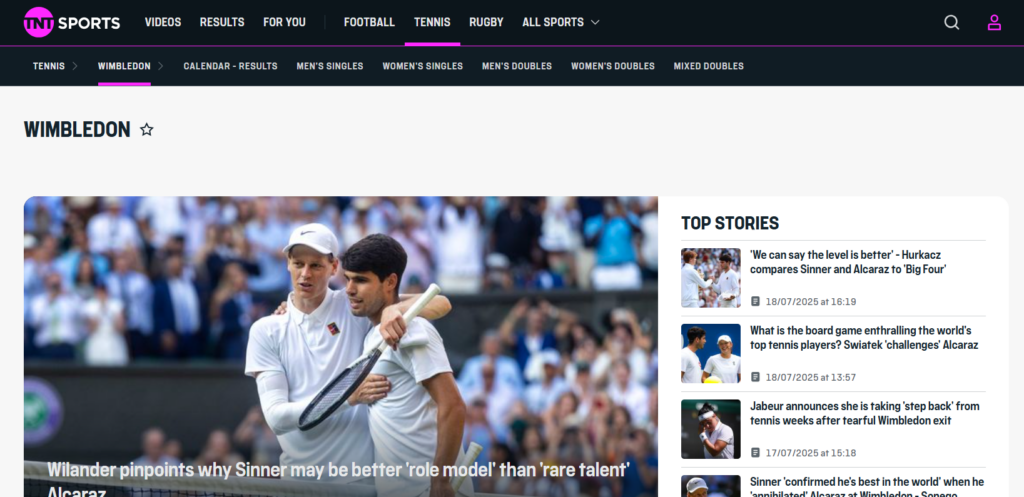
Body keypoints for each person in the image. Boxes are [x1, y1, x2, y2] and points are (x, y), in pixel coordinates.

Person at [244, 224, 452, 485]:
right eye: (298, 263)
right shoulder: (266, 330)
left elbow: (440, 303)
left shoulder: (356, 303)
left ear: (334, 267)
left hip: (361, 482)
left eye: (316, 265)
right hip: (297, 482)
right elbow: (276, 418)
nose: (305, 274)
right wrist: (349, 396)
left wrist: (393, 310)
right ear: (287, 263)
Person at [341, 233, 473, 497]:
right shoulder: (376, 331)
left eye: (361, 280)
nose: (349, 289)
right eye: (347, 279)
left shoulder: (410, 330)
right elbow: (439, 301)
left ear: (390, 282)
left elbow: (453, 405)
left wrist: (440, 481)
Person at [81, 283, 129, 366]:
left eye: (104, 292)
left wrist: (111, 314)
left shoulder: (116, 304)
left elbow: (121, 328)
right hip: (96, 340)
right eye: (99, 292)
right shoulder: (90, 305)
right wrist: (100, 310)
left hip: (114, 340)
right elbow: (91, 329)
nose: (102, 295)